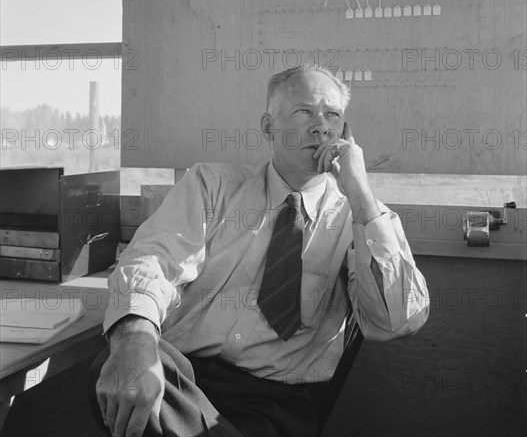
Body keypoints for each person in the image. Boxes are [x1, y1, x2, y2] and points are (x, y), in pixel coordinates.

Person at [90, 64, 429, 437]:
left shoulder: (360, 218)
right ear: (269, 127)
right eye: (304, 111)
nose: (321, 126)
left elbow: (396, 320)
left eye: (333, 115)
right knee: (119, 361)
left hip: (274, 401)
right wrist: (136, 341)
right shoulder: (211, 186)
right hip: (184, 380)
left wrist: (360, 190)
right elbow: (154, 258)